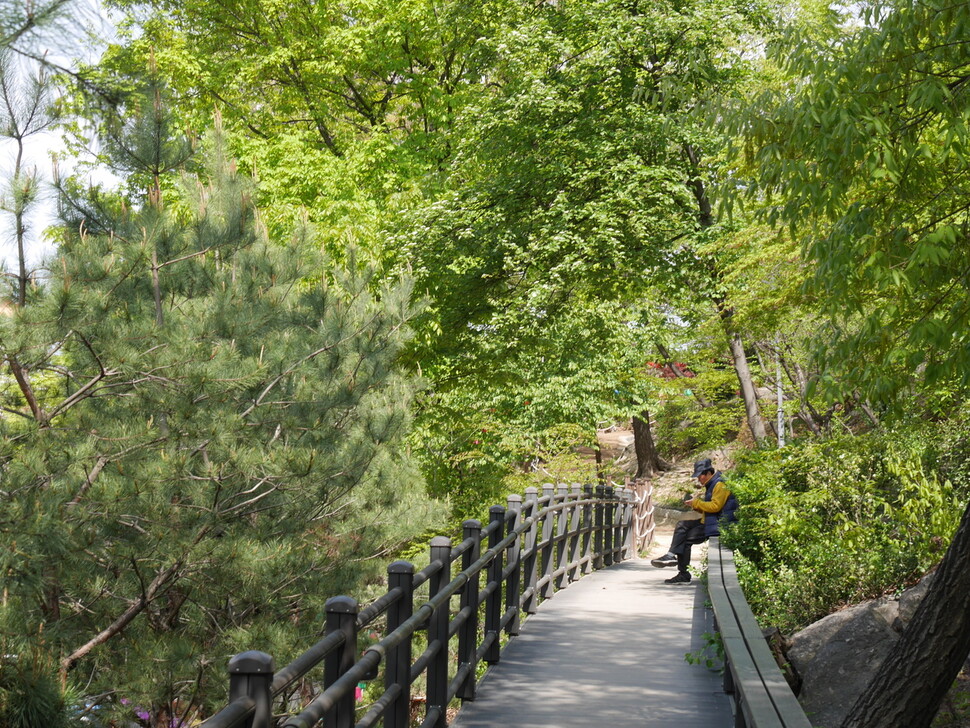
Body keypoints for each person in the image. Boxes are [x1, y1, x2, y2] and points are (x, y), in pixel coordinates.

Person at [650, 458, 738, 584]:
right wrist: (694, 505)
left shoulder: (720, 485)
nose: (698, 479)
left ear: (708, 473)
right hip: (711, 521)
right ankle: (673, 558)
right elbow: (710, 508)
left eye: (700, 475)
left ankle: (680, 568)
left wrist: (696, 502)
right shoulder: (712, 484)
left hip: (719, 525)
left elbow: (715, 507)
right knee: (682, 526)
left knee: (684, 538)